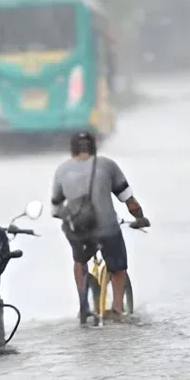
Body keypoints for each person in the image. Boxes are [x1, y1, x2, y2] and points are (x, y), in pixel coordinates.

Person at [50, 131, 150, 321]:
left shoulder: (62, 170)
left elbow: (55, 209)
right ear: (94, 146)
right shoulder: (107, 165)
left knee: (80, 261)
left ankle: (83, 305)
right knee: (118, 267)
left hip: (78, 231)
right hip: (107, 228)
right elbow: (129, 201)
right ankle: (118, 310)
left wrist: (73, 218)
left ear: (72, 148)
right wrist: (141, 218)